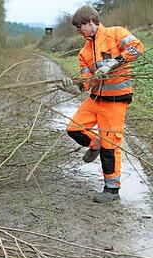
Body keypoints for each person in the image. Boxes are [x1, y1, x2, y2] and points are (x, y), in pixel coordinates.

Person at [61, 6, 144, 203]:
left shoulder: (117, 34)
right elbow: (86, 82)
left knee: (110, 145)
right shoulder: (84, 52)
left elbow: (137, 47)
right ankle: (94, 144)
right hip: (95, 99)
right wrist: (72, 87)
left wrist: (113, 63)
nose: (78, 31)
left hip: (115, 101)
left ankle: (112, 190)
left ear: (90, 22)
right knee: (74, 129)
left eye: (79, 27)